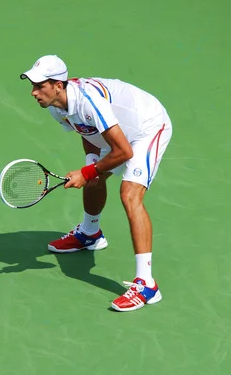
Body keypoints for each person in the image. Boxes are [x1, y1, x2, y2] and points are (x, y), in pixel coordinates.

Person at [20, 55, 173, 312]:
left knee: (129, 194)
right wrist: (91, 167)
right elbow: (87, 131)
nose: (34, 93)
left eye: (40, 86)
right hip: (116, 133)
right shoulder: (56, 107)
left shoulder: (89, 102)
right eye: (33, 86)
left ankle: (147, 285)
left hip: (147, 127)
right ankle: (90, 234)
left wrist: (88, 171)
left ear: (58, 84)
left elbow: (124, 151)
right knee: (92, 176)